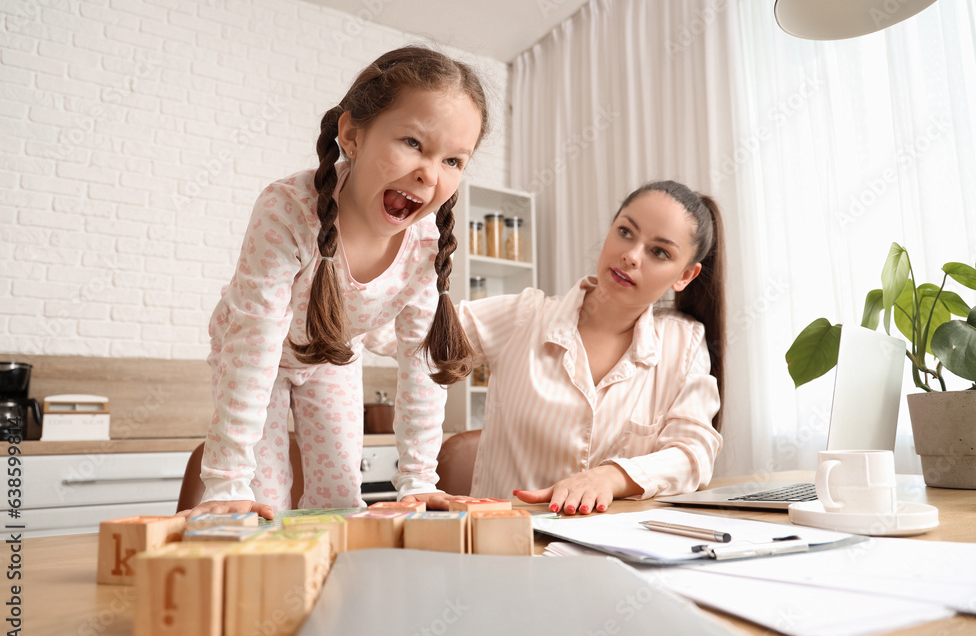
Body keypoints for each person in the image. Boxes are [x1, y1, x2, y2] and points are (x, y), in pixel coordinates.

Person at [184, 46, 488, 520]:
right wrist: (226, 481)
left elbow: (420, 364)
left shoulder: (427, 244)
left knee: (341, 498)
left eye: (454, 161)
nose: (429, 172)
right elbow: (253, 344)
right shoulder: (288, 210)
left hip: (333, 355)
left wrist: (418, 480)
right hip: (256, 352)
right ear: (352, 134)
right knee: (260, 499)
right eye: (413, 142)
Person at [458, 180, 726, 516]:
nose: (630, 255)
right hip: (507, 547)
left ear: (685, 275)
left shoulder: (683, 343)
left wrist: (611, 477)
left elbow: (694, 453)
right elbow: (404, 335)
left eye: (659, 252)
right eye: (626, 232)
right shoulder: (522, 317)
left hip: (612, 552)